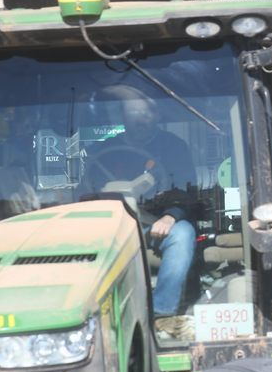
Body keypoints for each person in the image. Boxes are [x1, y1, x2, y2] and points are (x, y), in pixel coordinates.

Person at [85, 85, 198, 340]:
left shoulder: (175, 148)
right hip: (108, 227)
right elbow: (85, 190)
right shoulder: (99, 152)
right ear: (123, 118)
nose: (140, 118)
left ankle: (161, 314)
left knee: (183, 233)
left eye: (146, 112)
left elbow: (187, 190)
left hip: (153, 226)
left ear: (157, 116)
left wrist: (171, 215)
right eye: (133, 112)